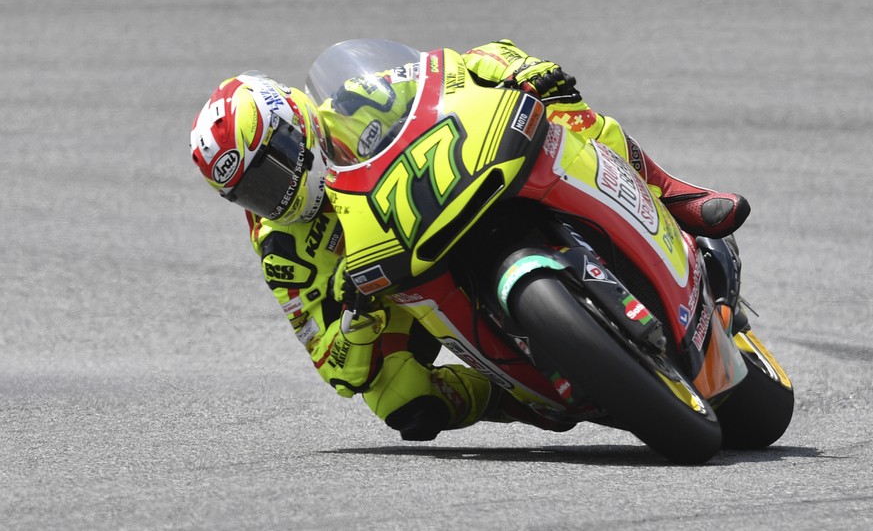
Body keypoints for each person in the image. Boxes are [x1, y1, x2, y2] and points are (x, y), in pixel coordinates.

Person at [189, 39, 749, 441]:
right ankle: (506, 389)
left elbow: (456, 69)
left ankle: (673, 194)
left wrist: (523, 70)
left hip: (453, 186)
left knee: (563, 111)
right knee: (399, 398)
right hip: (398, 278)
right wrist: (358, 318)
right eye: (251, 192)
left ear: (296, 119)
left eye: (273, 169)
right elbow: (334, 366)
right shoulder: (281, 249)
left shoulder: (359, 98)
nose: (274, 194)